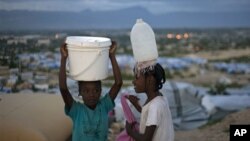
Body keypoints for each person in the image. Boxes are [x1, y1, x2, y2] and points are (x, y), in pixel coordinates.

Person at [59, 41, 122, 141]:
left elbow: (118, 83)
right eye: (86, 91)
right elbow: (63, 89)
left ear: (101, 91)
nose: (92, 94)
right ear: (80, 92)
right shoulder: (76, 110)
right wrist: (63, 59)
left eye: (96, 90)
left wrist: (111, 56)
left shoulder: (104, 106)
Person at [125, 62, 174, 141]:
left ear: (150, 79)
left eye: (137, 78)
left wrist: (130, 131)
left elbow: (146, 139)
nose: (133, 82)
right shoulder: (159, 98)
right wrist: (137, 106)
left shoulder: (155, 106)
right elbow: (150, 114)